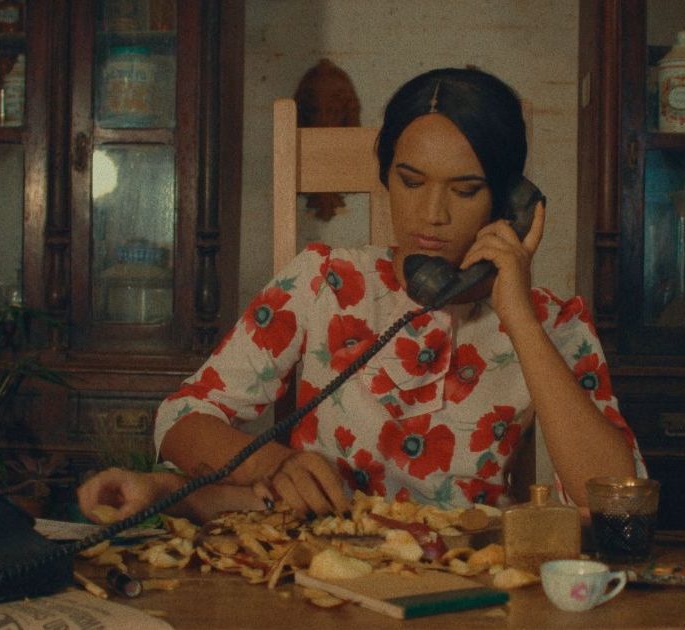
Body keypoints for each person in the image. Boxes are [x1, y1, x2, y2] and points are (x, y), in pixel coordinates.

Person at [78, 67, 643, 524]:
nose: (432, 215)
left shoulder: (553, 322)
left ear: (508, 201)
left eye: (466, 190)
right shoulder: (324, 281)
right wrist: (272, 465)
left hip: (471, 582)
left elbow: (617, 500)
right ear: (386, 176)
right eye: (410, 182)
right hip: (319, 566)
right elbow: (180, 420)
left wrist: (518, 317)